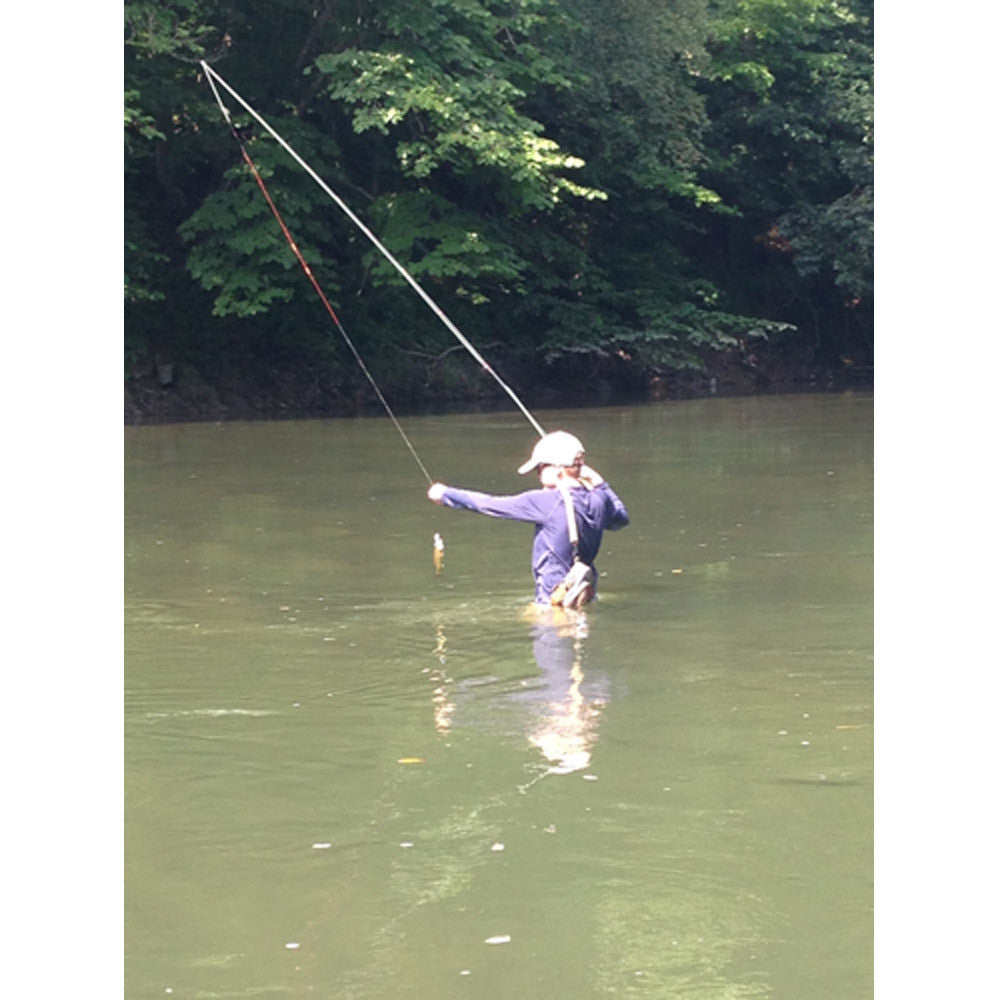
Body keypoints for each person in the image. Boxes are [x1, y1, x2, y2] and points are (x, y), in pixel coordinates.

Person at [426, 430, 629, 606]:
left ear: (557, 469)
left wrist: (445, 494)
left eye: (540, 468)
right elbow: (621, 519)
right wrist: (600, 483)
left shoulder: (544, 501)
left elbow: (489, 504)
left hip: (551, 604)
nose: (538, 474)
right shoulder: (599, 499)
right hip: (582, 597)